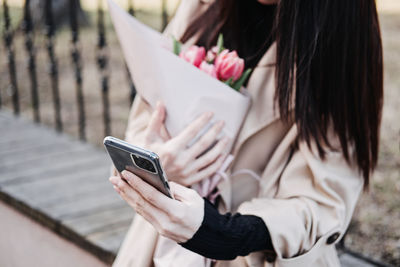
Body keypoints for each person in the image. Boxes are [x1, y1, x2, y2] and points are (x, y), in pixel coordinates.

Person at [109, 0, 383, 266]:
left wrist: (222, 233)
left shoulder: (337, 38)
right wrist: (157, 164)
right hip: (157, 245)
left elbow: (321, 205)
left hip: (258, 255)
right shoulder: (202, 8)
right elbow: (145, 118)